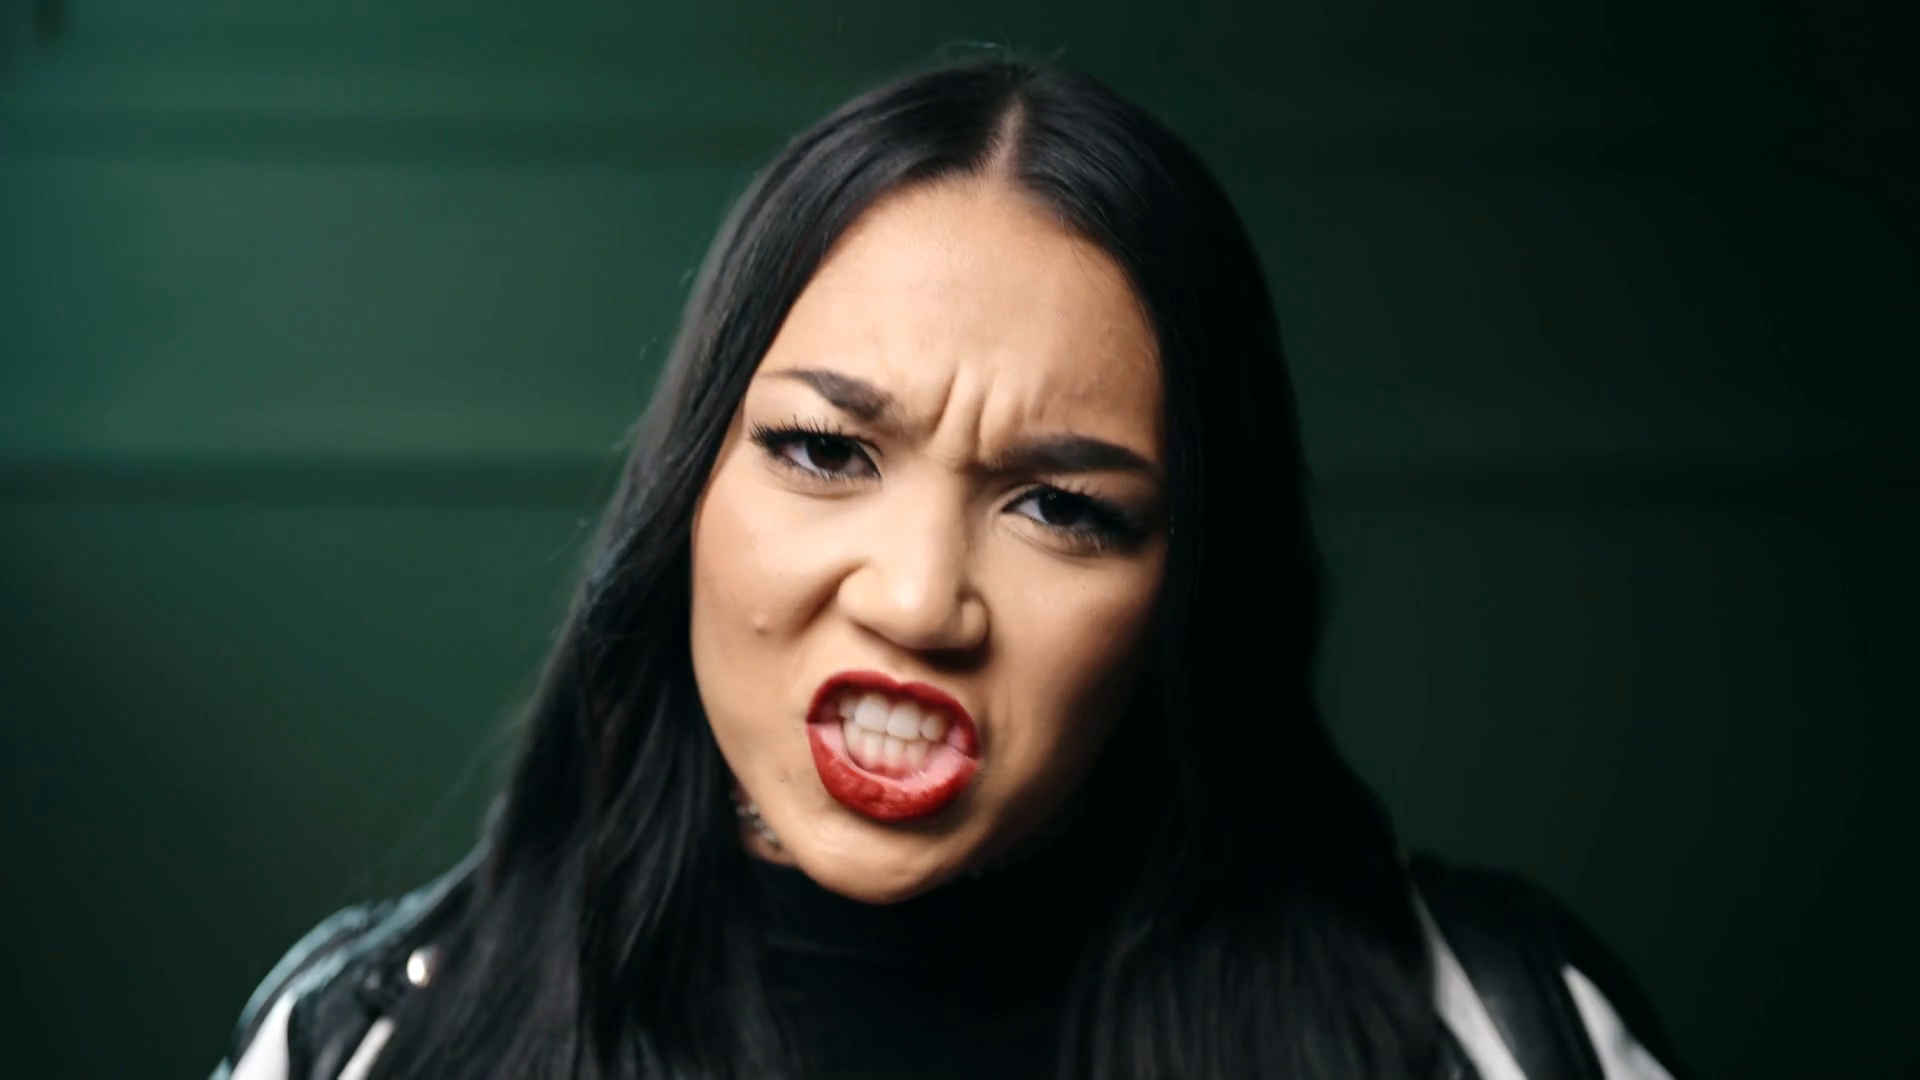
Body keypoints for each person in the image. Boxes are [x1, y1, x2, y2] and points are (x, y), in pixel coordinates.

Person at [210, 56, 1691, 1080]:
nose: (918, 601)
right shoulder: (366, 1044)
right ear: (686, 495)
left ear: (1188, 595)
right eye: (824, 451)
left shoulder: (1493, 1032)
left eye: (1063, 508)